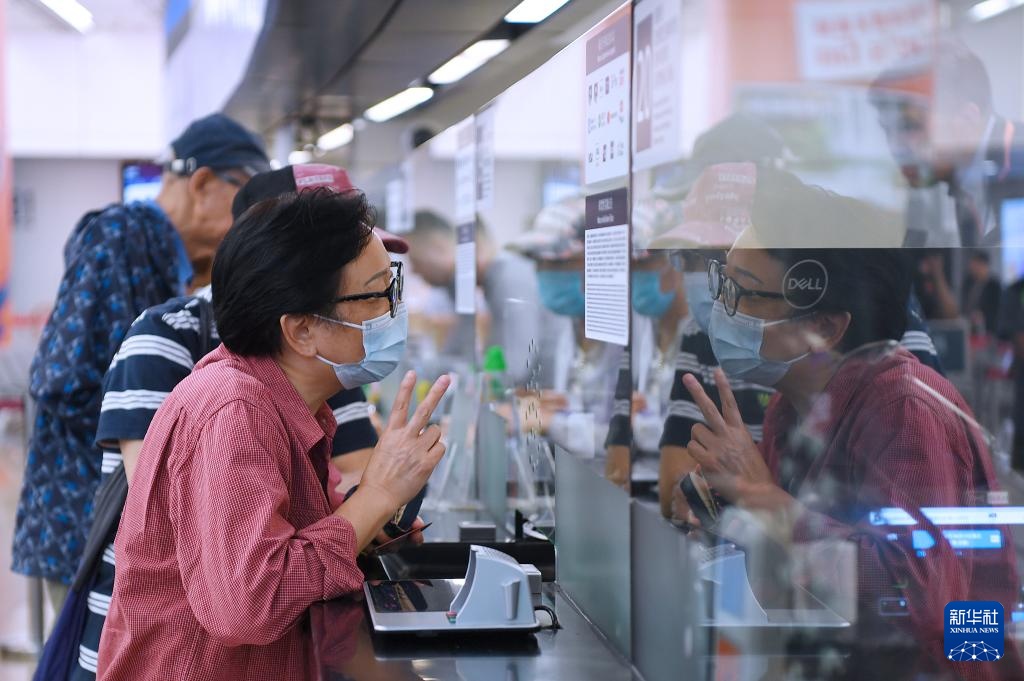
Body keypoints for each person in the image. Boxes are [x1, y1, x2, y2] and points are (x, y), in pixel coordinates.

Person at [55, 164, 407, 681]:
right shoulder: (233, 408)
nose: (391, 311)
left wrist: (375, 514)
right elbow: (246, 604)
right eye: (376, 295)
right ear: (303, 330)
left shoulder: (288, 400)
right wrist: (376, 495)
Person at [677, 169, 1021, 680]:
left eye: (744, 295)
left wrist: (764, 499)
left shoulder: (904, 409)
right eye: (723, 286)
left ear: (823, 327)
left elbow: (919, 603)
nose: (722, 310)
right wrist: (732, 511)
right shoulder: (792, 406)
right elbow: (803, 575)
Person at [12, 113, 269, 610]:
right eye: (249, 206)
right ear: (202, 183)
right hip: (83, 520)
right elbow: (61, 379)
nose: (249, 229)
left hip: (120, 521)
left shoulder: (167, 261)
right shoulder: (120, 239)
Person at [404, 211, 541, 384]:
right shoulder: (488, 283)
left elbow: (513, 369)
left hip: (541, 400)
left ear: (438, 247)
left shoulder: (509, 279)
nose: (415, 271)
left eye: (416, 261)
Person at [962, 251, 1002, 335]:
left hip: (989, 331)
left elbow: (998, 312)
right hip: (969, 327)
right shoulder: (968, 282)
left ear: (983, 265)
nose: (971, 267)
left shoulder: (994, 286)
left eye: (975, 264)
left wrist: (983, 317)